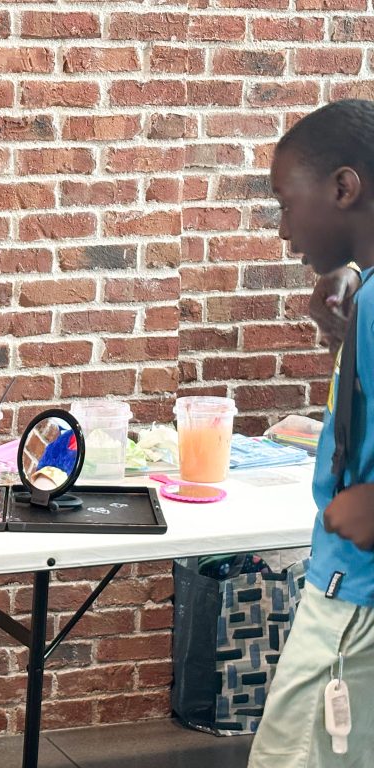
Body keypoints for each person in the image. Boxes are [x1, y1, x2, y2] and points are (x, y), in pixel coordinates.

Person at [249, 99, 374, 767]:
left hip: (355, 600)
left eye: (284, 202)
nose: (281, 227)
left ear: (343, 188)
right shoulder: (365, 297)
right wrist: (339, 339)